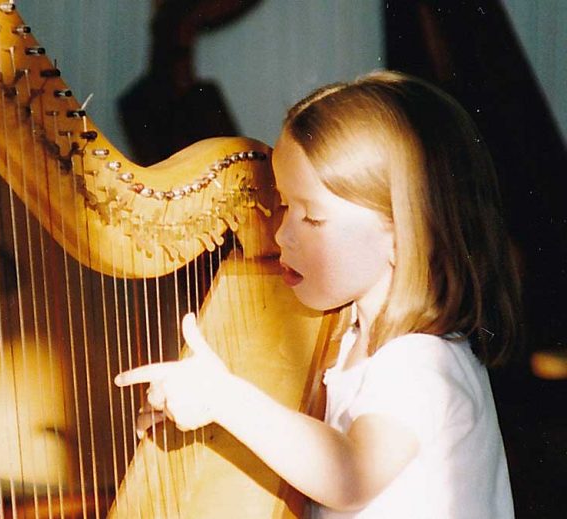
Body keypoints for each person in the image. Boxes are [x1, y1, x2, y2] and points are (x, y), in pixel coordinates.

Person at [114, 70, 520, 518]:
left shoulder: (423, 363)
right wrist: (210, 417)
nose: (282, 233)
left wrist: (226, 399)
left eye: (313, 218)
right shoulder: (351, 333)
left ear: (404, 233)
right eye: (285, 205)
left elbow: (349, 477)